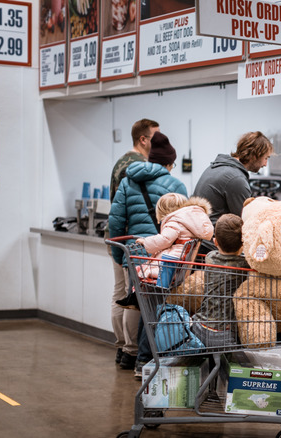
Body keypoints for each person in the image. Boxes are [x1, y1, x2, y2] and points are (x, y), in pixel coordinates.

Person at [108, 131, 186, 373]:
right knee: (154, 307)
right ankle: (145, 359)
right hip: (163, 255)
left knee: (134, 301)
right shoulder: (176, 185)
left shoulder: (128, 180)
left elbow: (115, 221)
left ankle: (128, 355)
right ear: (169, 163)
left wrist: (121, 256)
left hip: (135, 252)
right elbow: (181, 223)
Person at [107, 118, 159, 368]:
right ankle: (130, 350)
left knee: (120, 294)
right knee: (133, 296)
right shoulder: (139, 166)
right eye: (155, 138)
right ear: (143, 139)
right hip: (132, 242)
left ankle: (120, 346)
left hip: (116, 239)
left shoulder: (121, 162)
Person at [193, 131, 274, 223]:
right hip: (215, 234)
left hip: (203, 231)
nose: (265, 164)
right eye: (266, 158)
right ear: (255, 155)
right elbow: (247, 221)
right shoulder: (235, 179)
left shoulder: (219, 167)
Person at [193, 214, 250, 336]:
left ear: (215, 241)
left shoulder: (210, 257)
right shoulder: (244, 265)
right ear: (242, 243)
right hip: (227, 333)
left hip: (200, 327)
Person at [134, 193, 214, 279]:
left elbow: (165, 239)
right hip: (177, 263)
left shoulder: (174, 222)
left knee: (140, 271)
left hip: (170, 265)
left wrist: (146, 242)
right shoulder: (186, 222)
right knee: (142, 269)